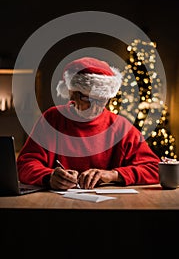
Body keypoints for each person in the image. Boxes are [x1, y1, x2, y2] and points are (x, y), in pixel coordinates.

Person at [17, 56, 160, 190]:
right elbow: (24, 165)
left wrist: (112, 175)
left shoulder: (121, 127)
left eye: (101, 100)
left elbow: (155, 169)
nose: (94, 107)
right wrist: (48, 177)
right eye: (87, 98)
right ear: (72, 93)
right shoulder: (52, 119)